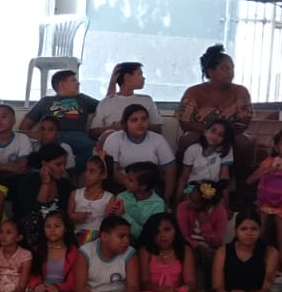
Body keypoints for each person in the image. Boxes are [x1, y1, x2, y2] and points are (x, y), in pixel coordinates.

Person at [175, 44, 255, 188]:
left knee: (243, 141)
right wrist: (211, 132)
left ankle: (243, 190)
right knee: (187, 139)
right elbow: (185, 123)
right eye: (224, 69)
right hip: (202, 134)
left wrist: (226, 133)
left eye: (231, 68)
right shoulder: (194, 92)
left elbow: (245, 119)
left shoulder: (240, 91)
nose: (230, 73)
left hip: (232, 134)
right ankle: (181, 188)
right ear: (210, 72)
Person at [21, 69, 99, 164]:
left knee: (95, 149)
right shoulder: (46, 101)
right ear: (62, 84)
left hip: (75, 135)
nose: (78, 83)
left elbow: (105, 105)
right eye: (73, 80)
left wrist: (112, 83)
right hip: (52, 136)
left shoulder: (83, 99)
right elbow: (26, 122)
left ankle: (71, 167)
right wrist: (30, 134)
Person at [101, 104, 177, 201]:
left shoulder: (158, 139)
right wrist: (130, 185)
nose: (140, 123)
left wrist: (166, 199)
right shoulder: (114, 139)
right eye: (134, 120)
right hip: (122, 186)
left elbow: (170, 170)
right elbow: (112, 170)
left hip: (150, 187)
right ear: (125, 123)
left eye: (144, 119)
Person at [91, 62, 158, 135]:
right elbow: (93, 133)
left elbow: (157, 129)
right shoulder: (105, 103)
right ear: (127, 77)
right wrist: (114, 128)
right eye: (140, 74)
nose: (144, 78)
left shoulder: (147, 100)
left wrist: (134, 126)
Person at [180, 119, 235, 202]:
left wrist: (226, 202)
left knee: (218, 207)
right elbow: (184, 177)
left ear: (225, 139)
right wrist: (177, 201)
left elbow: (224, 177)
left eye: (221, 135)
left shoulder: (225, 150)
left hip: (214, 188)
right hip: (194, 186)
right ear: (205, 131)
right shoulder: (193, 149)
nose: (215, 136)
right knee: (192, 201)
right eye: (213, 131)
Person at [176, 180, 228, 268]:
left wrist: (204, 223)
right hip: (188, 246)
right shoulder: (183, 207)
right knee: (190, 255)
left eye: (194, 202)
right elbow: (183, 235)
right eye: (190, 197)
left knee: (214, 258)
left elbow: (216, 242)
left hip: (211, 248)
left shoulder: (220, 211)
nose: (189, 202)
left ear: (207, 205)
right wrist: (198, 247)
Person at [116, 162, 167, 236]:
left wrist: (124, 215)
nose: (125, 181)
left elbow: (147, 235)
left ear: (143, 186)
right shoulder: (121, 197)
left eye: (130, 180)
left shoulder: (157, 205)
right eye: (126, 177)